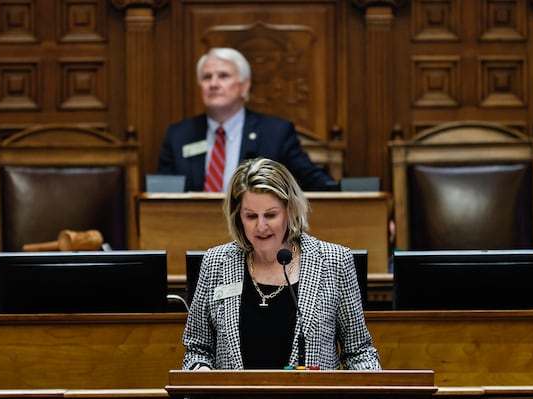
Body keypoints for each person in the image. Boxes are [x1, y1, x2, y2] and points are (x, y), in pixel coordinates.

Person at [182, 157, 381, 370]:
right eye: (251, 216)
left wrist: (368, 384)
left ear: (290, 210)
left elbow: (359, 352)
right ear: (238, 216)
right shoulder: (216, 263)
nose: (261, 226)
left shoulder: (334, 261)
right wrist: (201, 372)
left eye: (271, 215)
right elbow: (197, 350)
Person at [158, 47, 335, 192]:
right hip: (190, 229)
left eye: (223, 76)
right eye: (207, 77)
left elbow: (314, 181)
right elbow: (161, 193)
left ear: (244, 86)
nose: (213, 84)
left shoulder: (275, 133)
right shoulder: (179, 135)